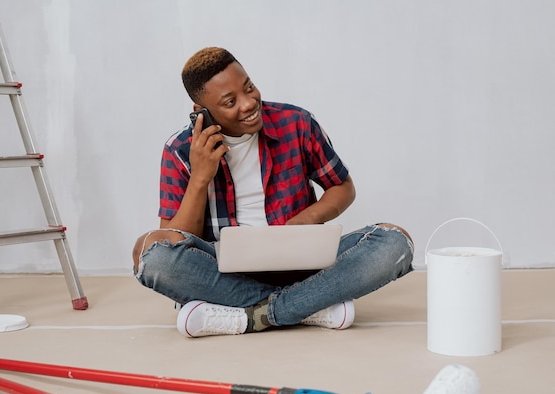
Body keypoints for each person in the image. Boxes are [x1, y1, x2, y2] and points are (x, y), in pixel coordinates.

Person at [132, 47, 414, 338]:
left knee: (394, 242)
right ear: (201, 112)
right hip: (224, 274)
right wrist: (200, 177)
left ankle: (248, 315)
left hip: (303, 264)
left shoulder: (297, 123)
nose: (248, 103)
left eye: (249, 87)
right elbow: (176, 240)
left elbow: (342, 186)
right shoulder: (179, 150)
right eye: (230, 102)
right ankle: (309, 305)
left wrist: (306, 220)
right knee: (150, 253)